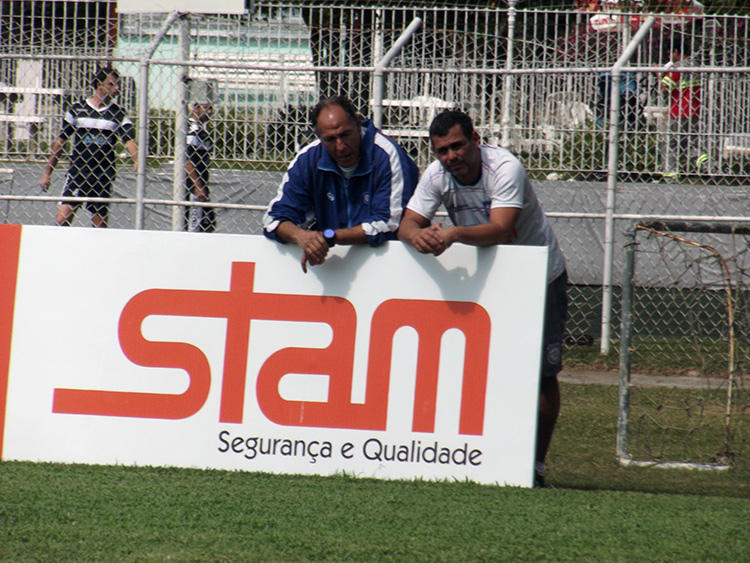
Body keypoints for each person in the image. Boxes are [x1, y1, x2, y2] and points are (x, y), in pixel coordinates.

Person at [398, 110, 567, 487]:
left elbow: (503, 229)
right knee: (485, 373)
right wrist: (418, 237)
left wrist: (454, 233)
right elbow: (407, 223)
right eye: (441, 150)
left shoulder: (505, 167)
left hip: (539, 276)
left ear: (476, 138)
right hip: (488, 281)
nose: (450, 157)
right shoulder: (436, 175)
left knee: (541, 377)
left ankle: (535, 469)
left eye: (457, 146)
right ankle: (488, 460)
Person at [263, 96, 419, 272]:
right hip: (334, 268)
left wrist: (329, 237)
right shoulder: (307, 159)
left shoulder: (388, 156)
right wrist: (302, 237)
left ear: (358, 124)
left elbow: (387, 224)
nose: (341, 147)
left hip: (389, 266)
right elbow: (273, 219)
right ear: (318, 137)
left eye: (345, 135)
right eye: (330, 139)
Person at [40, 66, 137, 228]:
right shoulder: (77, 110)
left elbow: (130, 142)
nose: (116, 88)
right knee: (62, 220)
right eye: (111, 84)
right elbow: (60, 142)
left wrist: (136, 160)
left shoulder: (118, 113)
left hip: (102, 176)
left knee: (99, 227)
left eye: (117, 85)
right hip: (78, 173)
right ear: (99, 85)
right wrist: (47, 173)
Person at [660, 36, 707, 180]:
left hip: (678, 111)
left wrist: (659, 75)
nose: (670, 57)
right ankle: (706, 164)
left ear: (675, 51)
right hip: (695, 110)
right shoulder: (696, 65)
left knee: (670, 142)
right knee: (690, 143)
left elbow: (665, 87)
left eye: (669, 53)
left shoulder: (678, 67)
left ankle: (670, 174)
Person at [185, 99, 215, 232]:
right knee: (194, 228)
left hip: (202, 184)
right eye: (206, 108)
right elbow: (188, 161)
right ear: (195, 109)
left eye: (211, 108)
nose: (210, 112)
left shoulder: (202, 130)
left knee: (208, 226)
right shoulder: (192, 129)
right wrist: (197, 186)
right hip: (193, 188)